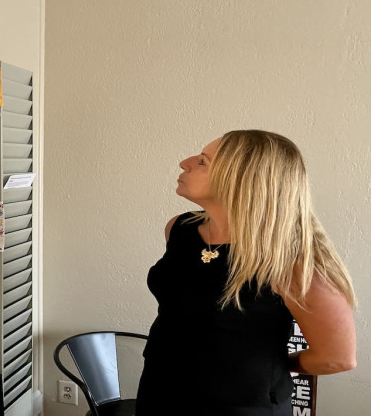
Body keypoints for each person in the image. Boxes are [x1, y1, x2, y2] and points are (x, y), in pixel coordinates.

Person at [136, 130, 357, 415]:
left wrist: (276, 364)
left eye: (203, 162)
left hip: (239, 404)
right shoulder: (179, 229)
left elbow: (337, 358)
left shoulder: (292, 260)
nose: (184, 163)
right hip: (160, 390)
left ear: (242, 180)